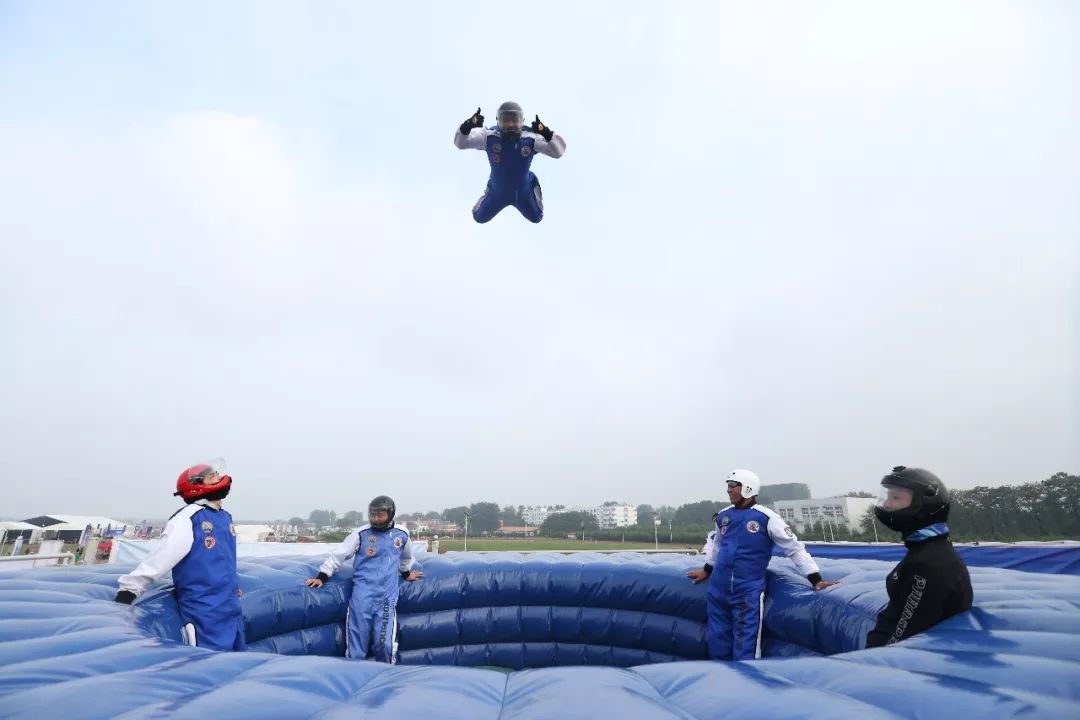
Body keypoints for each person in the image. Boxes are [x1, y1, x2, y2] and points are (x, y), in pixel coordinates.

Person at [687, 469, 838, 660]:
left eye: (733, 486)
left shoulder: (767, 518)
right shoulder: (723, 516)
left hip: (746, 591)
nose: (728, 490)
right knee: (718, 641)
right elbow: (717, 547)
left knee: (745, 646)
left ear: (748, 488)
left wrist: (816, 579)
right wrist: (707, 570)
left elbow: (795, 549)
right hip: (718, 589)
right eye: (728, 486)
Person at [114, 459, 246, 652]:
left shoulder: (224, 517)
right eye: (212, 476)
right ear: (197, 487)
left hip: (230, 608)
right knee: (210, 666)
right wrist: (130, 589)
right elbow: (162, 556)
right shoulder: (188, 518)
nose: (219, 476)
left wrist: (232, 587)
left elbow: (221, 560)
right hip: (205, 611)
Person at [305, 495, 423, 663]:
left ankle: (386, 676)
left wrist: (406, 573)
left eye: (380, 515)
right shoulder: (360, 534)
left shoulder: (402, 535)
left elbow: (406, 556)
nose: (375, 519)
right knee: (356, 646)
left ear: (390, 514)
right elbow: (340, 555)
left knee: (385, 645)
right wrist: (322, 577)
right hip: (363, 594)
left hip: (387, 597)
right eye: (372, 514)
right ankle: (353, 677)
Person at [865, 466, 973, 648]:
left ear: (923, 504)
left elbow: (905, 634)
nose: (887, 504)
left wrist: (869, 661)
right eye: (888, 496)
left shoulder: (929, 563)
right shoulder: (925, 550)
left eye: (896, 497)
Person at [454, 101, 566, 224]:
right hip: (497, 192)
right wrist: (467, 126)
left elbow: (558, 152)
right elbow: (461, 143)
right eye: (505, 121)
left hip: (523, 192)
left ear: (522, 121)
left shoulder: (530, 138)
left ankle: (531, 180)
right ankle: (490, 187)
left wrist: (546, 133)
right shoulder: (489, 136)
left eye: (515, 121)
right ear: (498, 121)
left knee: (537, 218)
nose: (510, 125)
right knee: (478, 218)